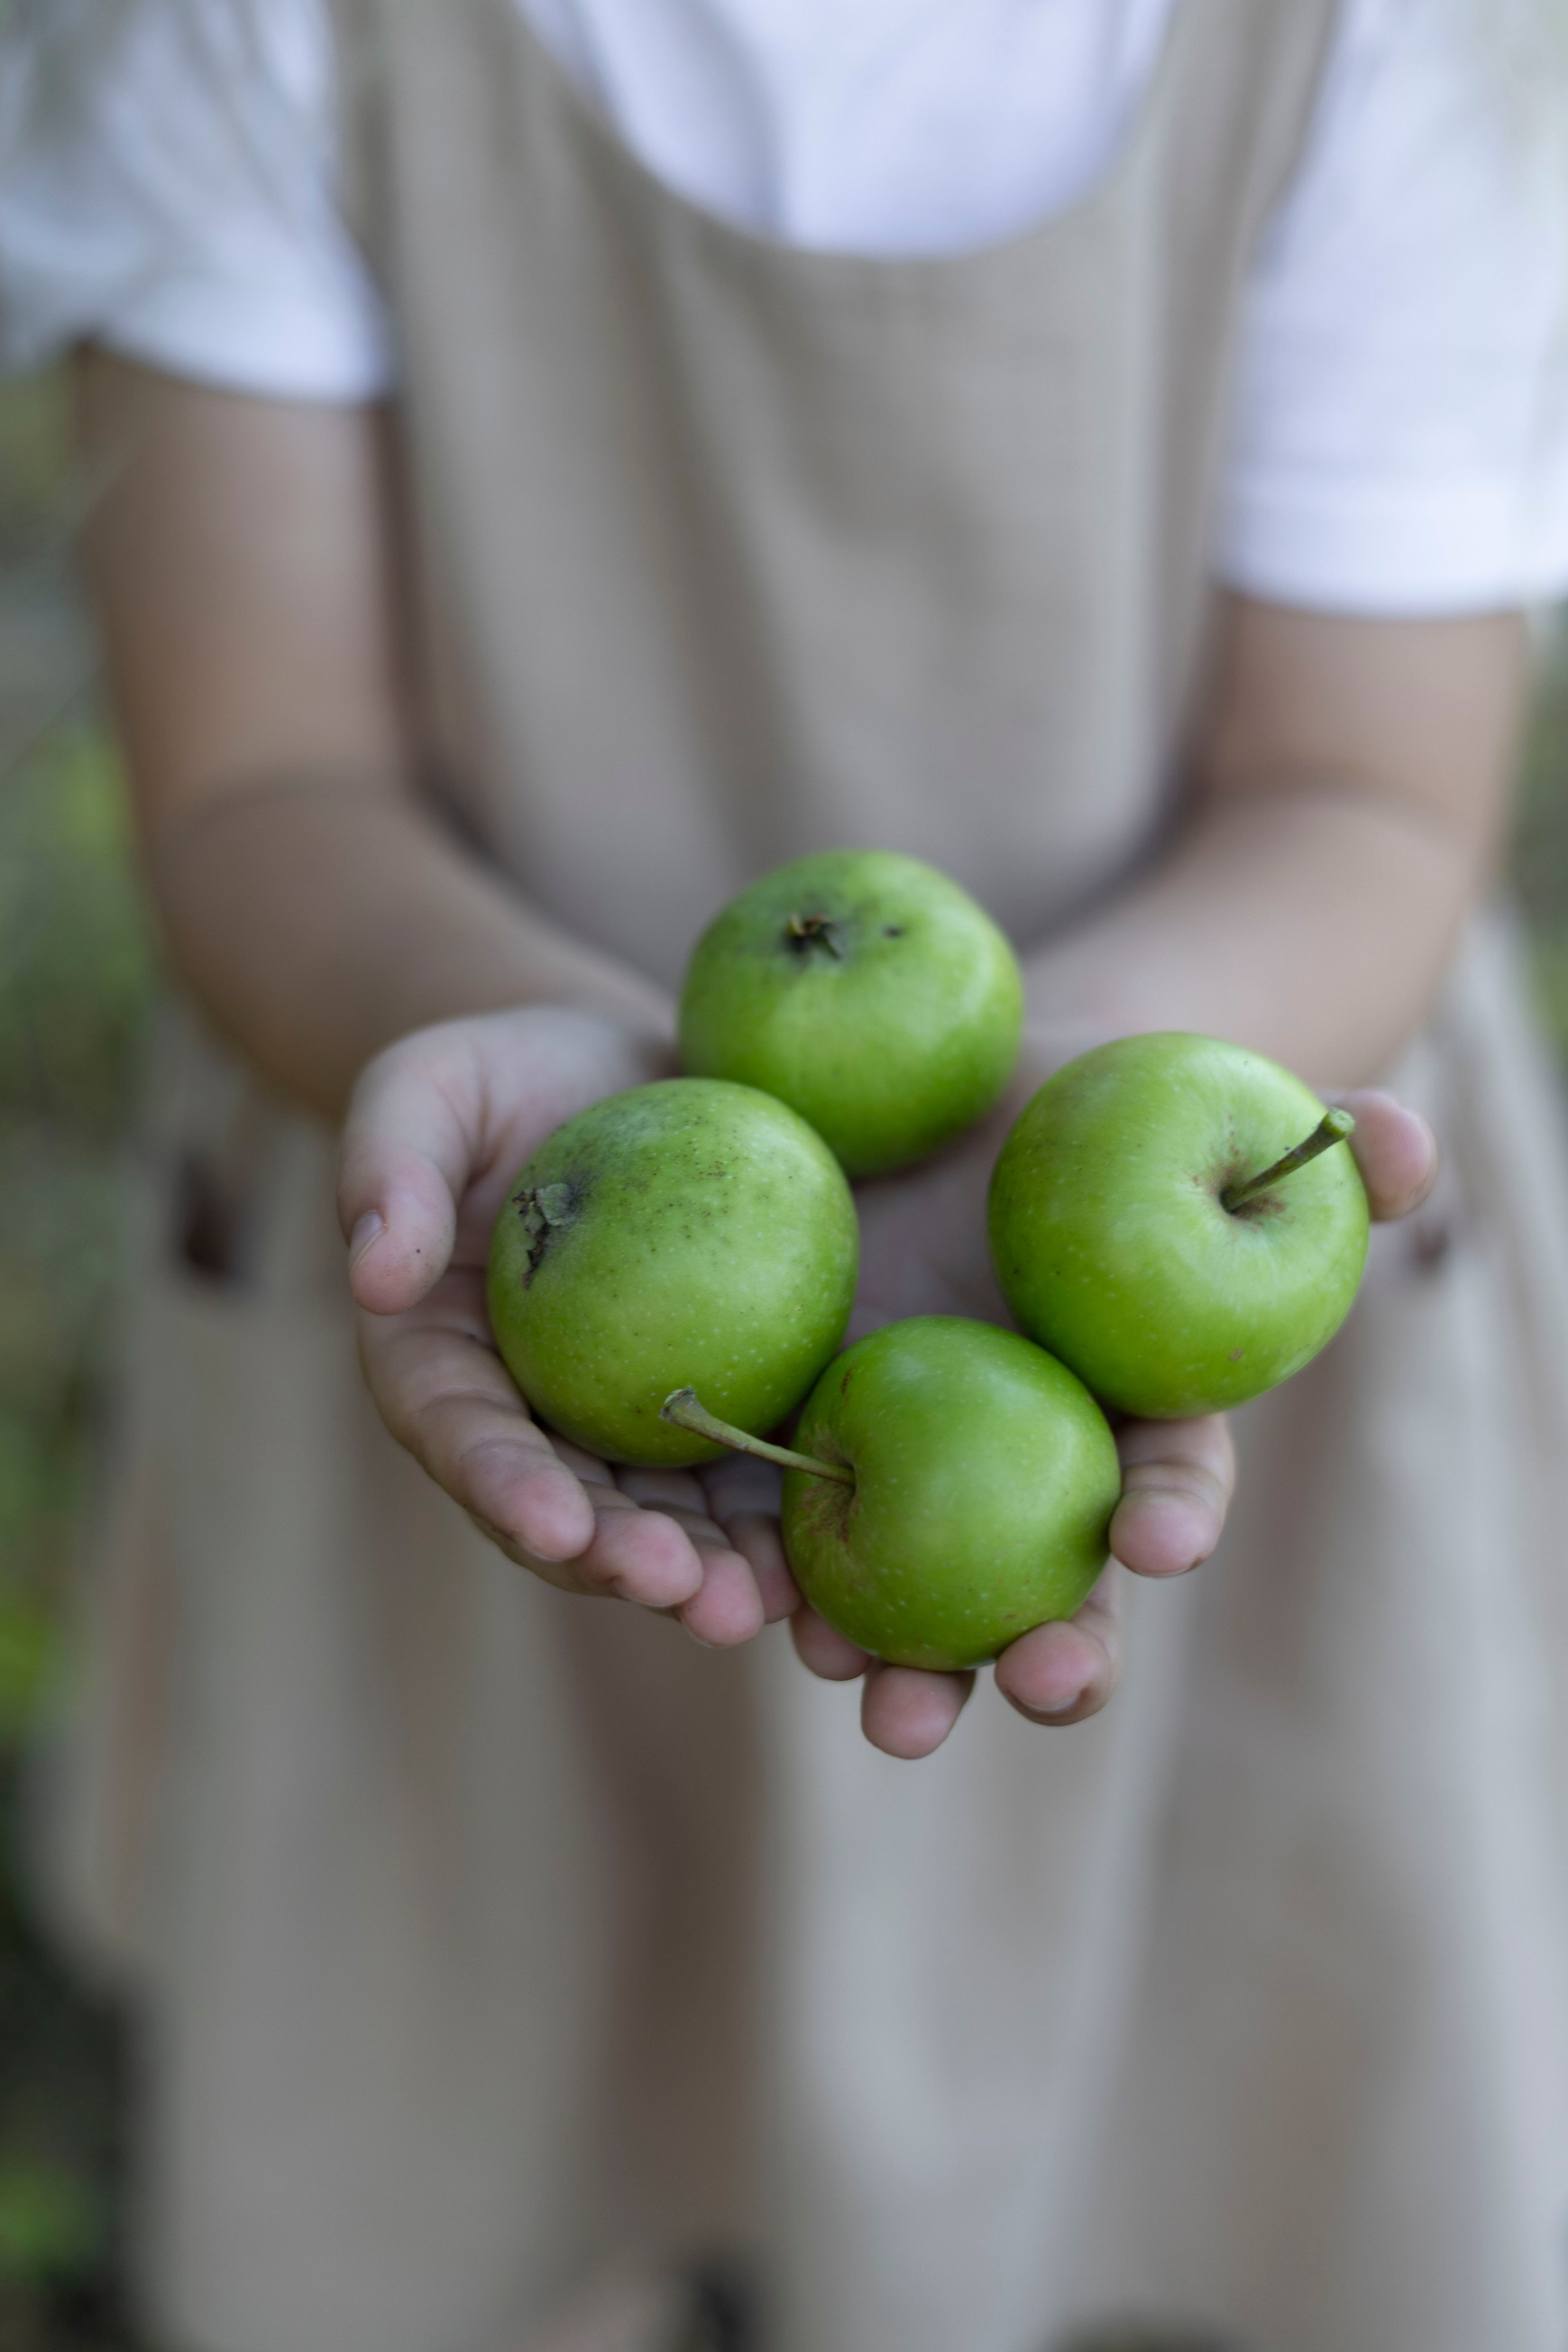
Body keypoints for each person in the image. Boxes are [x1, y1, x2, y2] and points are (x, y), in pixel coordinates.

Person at [4, 1, 1568, 2348]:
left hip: (1225, 1049)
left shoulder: (1381, 40)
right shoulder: (262, 28)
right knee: (509, 2025)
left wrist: (1077, 1100)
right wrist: (495, 1030)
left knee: (1234, 2029)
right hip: (485, 1151)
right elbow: (250, 785)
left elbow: (1365, 797)